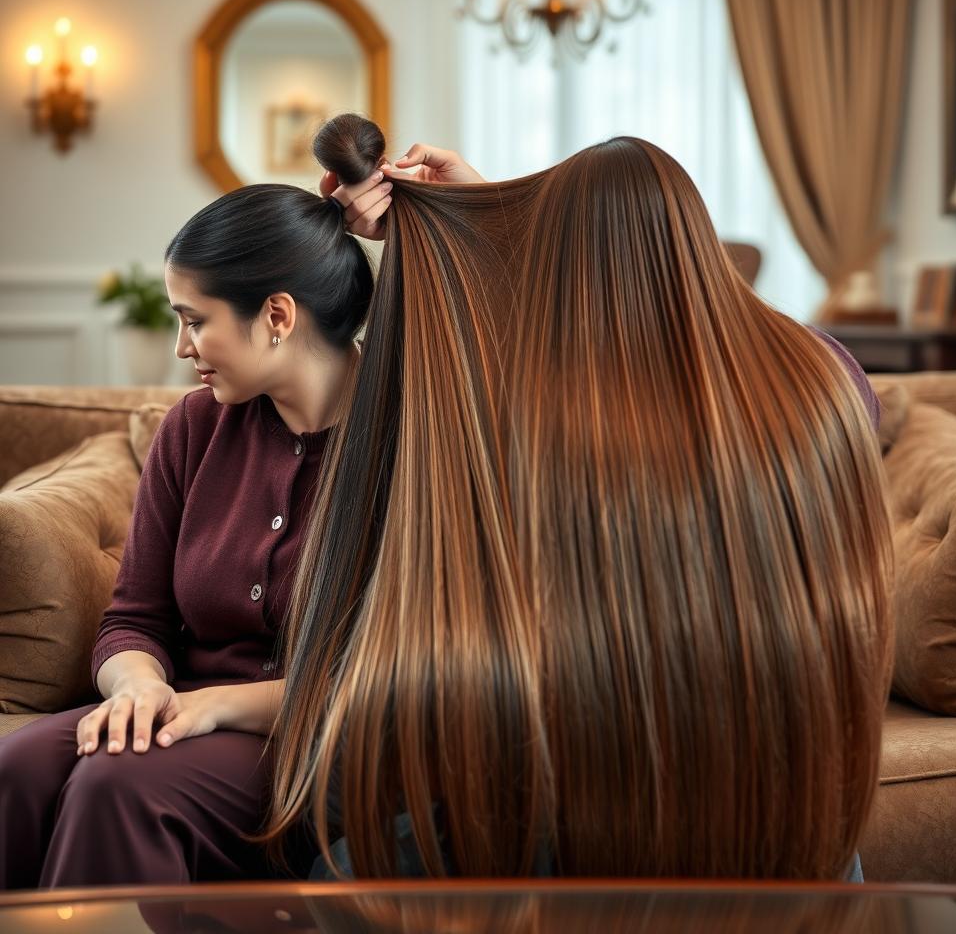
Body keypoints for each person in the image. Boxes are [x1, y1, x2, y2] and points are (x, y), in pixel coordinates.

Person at [267, 121, 892, 881]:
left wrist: (478, 229)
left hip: (582, 817)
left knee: (339, 864)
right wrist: (483, 214)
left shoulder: (539, 406)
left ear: (558, 267)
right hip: (795, 821)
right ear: (698, 248)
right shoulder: (825, 382)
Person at [0, 116, 385, 889]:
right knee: (15, 766)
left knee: (117, 789)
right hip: (185, 713)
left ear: (276, 316)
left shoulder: (414, 440)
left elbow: (397, 669)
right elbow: (133, 617)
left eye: (194, 320)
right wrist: (139, 684)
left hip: (328, 739)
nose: (181, 348)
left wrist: (212, 708)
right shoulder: (194, 429)